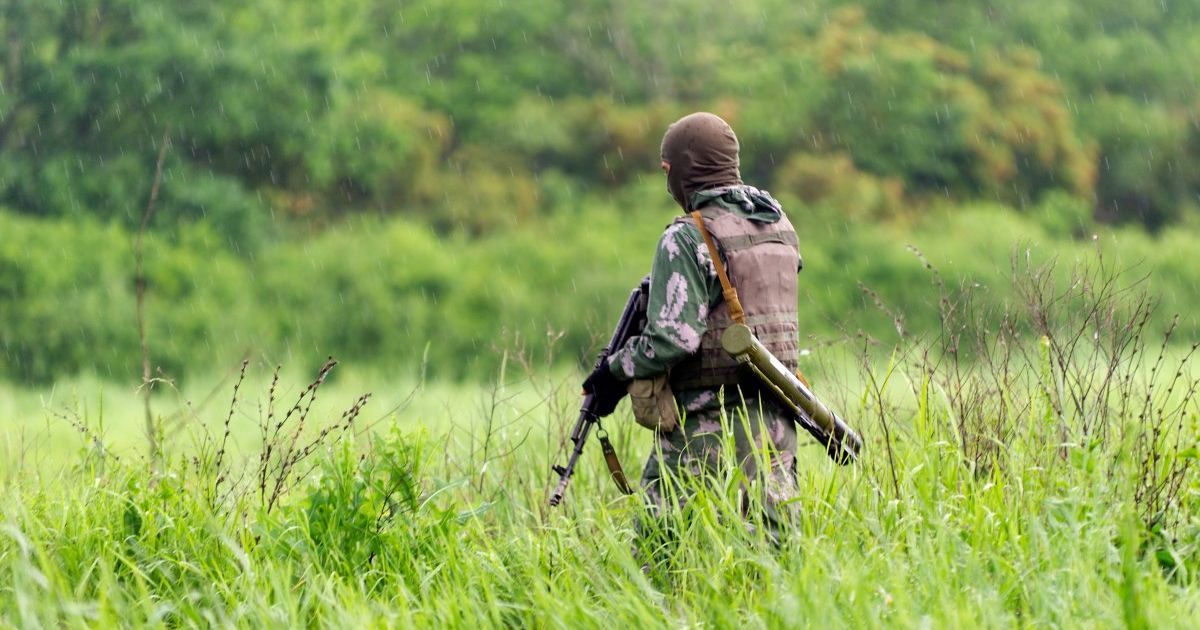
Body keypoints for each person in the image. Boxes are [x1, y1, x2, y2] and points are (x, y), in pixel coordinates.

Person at [583, 112, 803, 531]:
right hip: (776, 418)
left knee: (665, 550)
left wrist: (614, 368)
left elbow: (674, 339)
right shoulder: (779, 224)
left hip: (707, 423)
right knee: (771, 552)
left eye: (668, 171)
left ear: (682, 170)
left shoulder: (686, 237)